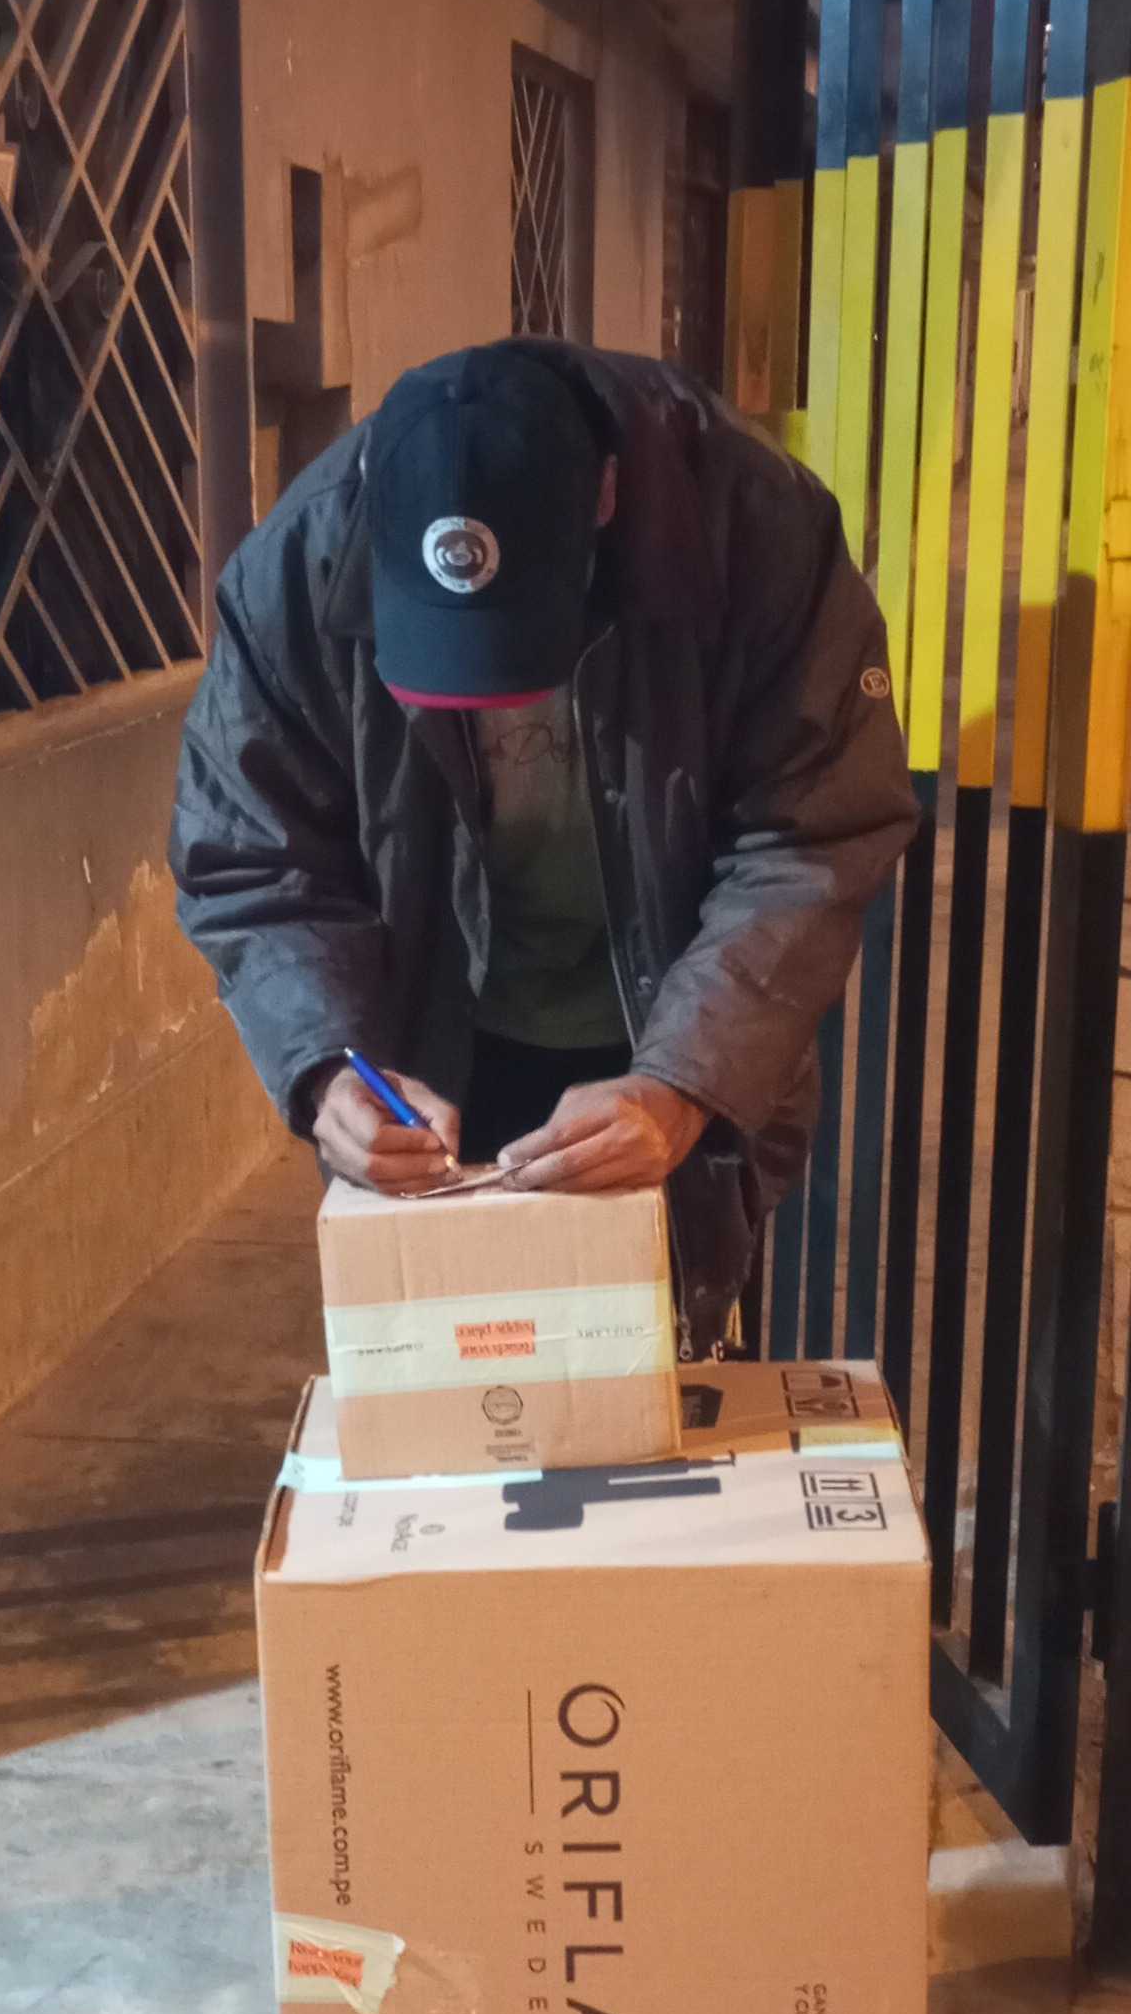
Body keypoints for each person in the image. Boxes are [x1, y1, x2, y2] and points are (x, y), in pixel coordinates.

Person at [168, 339, 919, 1349]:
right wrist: (327, 1069)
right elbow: (255, 856)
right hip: (434, 1039)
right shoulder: (301, 569)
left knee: (660, 1354)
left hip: (673, 1010)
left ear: (606, 497)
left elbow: (810, 834)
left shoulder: (753, 532)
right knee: (451, 1366)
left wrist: (687, 1082)